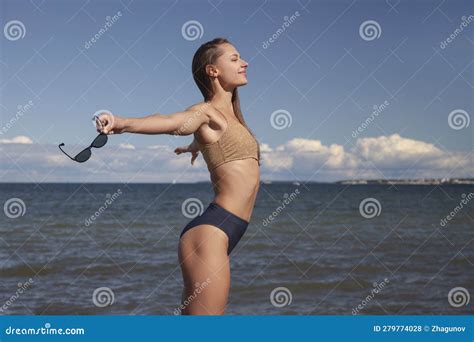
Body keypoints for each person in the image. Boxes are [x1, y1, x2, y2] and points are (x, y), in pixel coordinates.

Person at [95, 37, 261, 315]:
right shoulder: (205, 112)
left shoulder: (232, 119)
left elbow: (218, 143)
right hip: (210, 232)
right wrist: (122, 123)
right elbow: (171, 122)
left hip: (230, 228)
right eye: (234, 59)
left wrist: (194, 147)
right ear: (213, 70)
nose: (244, 63)